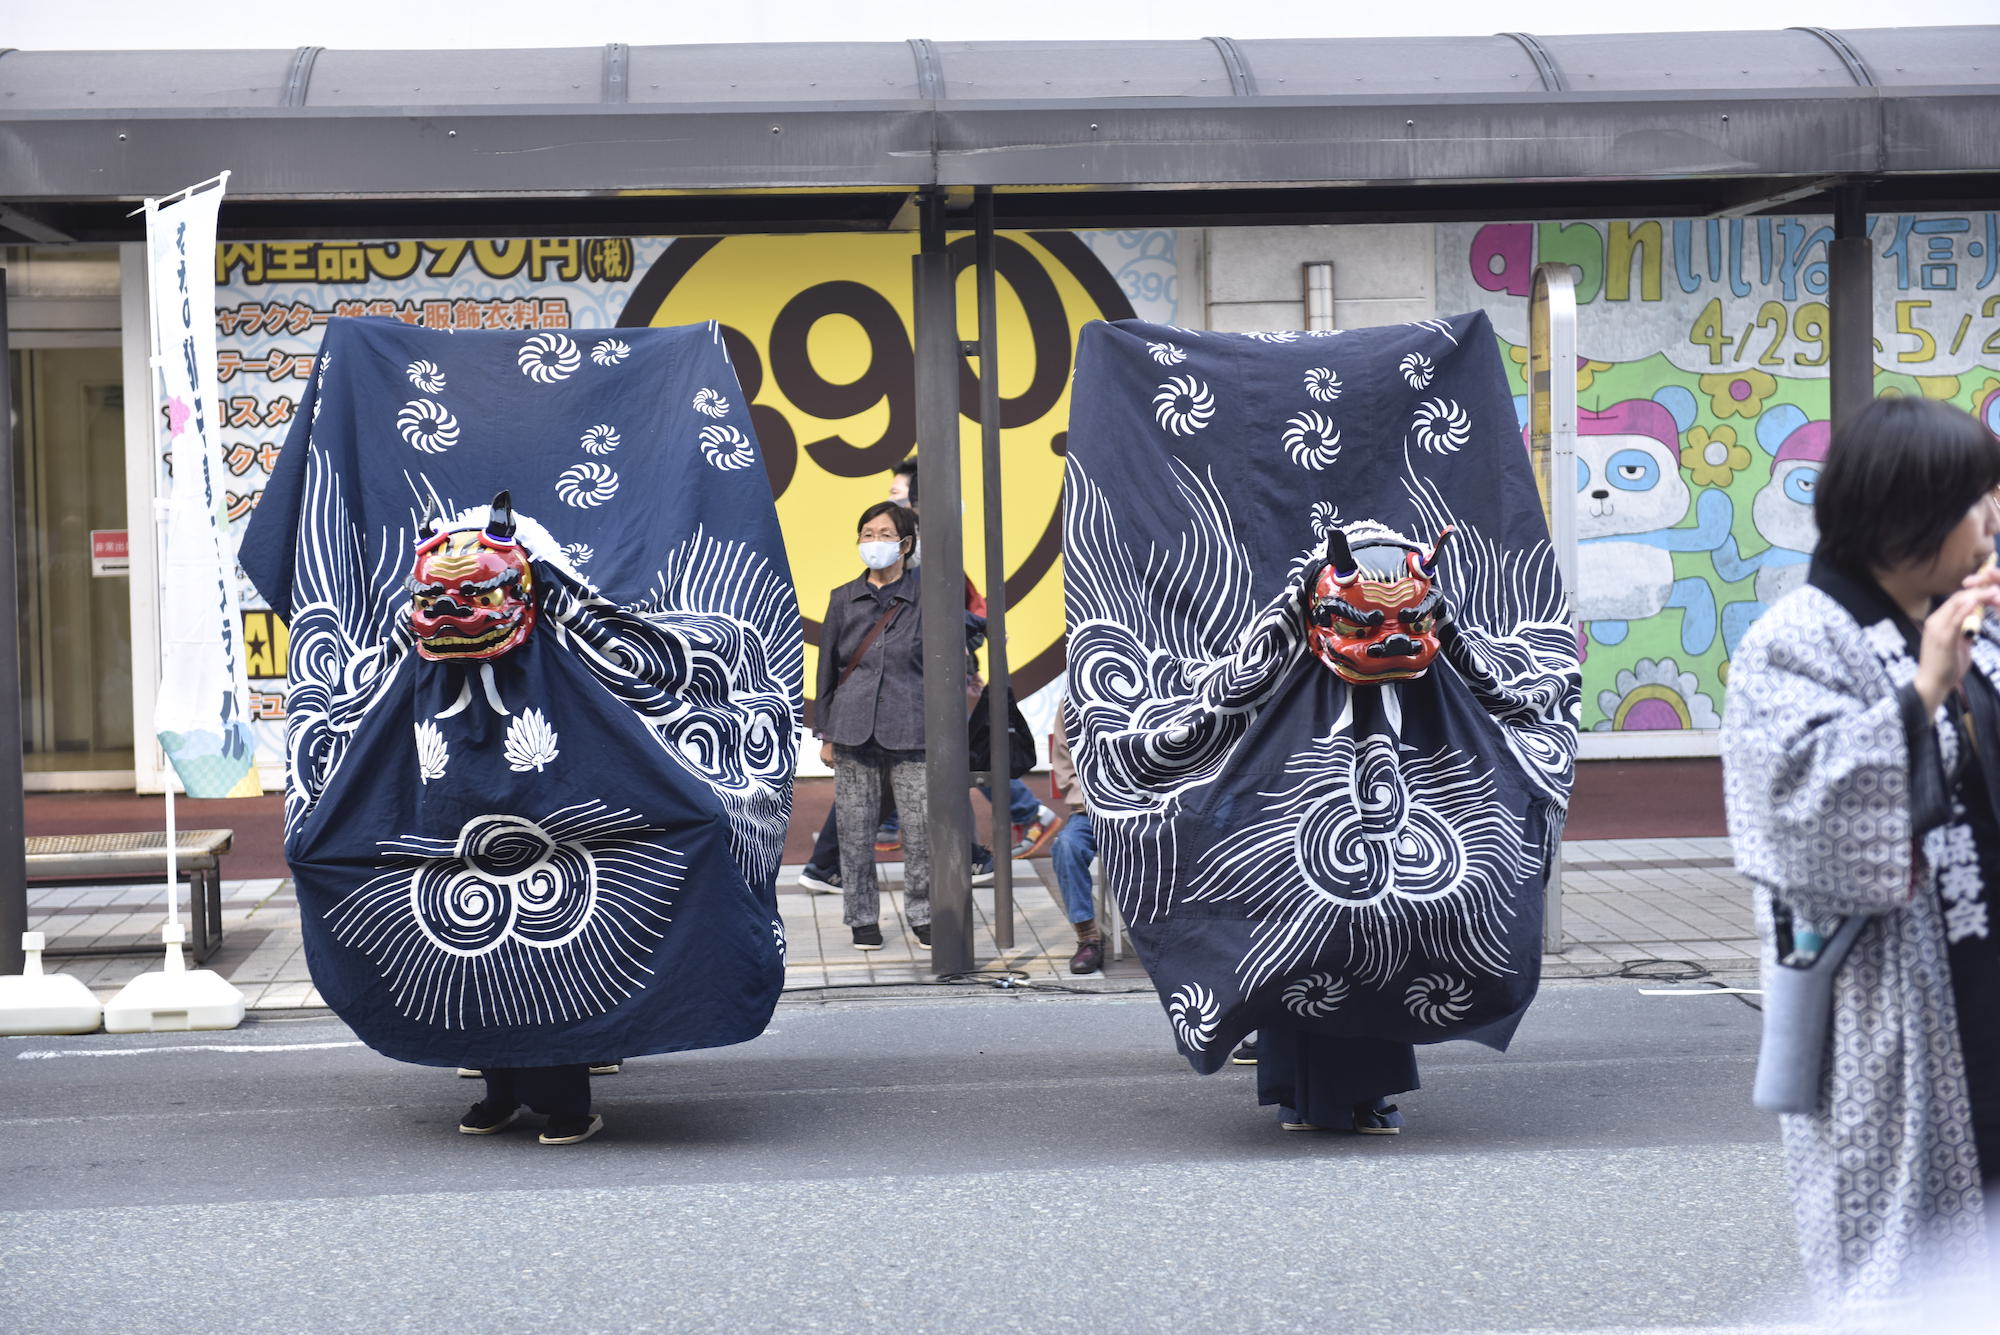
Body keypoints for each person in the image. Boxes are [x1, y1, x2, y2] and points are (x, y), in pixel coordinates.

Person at [1723, 396, 2000, 1325]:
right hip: (1889, 1004)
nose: (1991, 519)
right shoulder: (1798, 638)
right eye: (1976, 499)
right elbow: (1793, 815)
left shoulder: (1976, 624)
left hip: (1985, 958)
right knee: (1902, 1251)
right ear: (1908, 515)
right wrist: (1921, 694)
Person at [816, 502, 932, 950]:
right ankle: (862, 917)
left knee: (922, 832)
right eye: (867, 533)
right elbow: (827, 668)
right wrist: (825, 733)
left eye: (884, 534)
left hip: (914, 728)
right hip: (851, 727)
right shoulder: (842, 598)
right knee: (854, 830)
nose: (874, 542)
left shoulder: (927, 597)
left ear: (905, 544)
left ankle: (923, 914)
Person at [1046, 696, 1106, 974]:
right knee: (1067, 846)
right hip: (1091, 809)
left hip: (1149, 806)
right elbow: (1064, 761)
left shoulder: (1153, 685)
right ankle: (1088, 937)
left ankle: (1171, 932)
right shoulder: (1072, 701)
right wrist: (1091, 800)